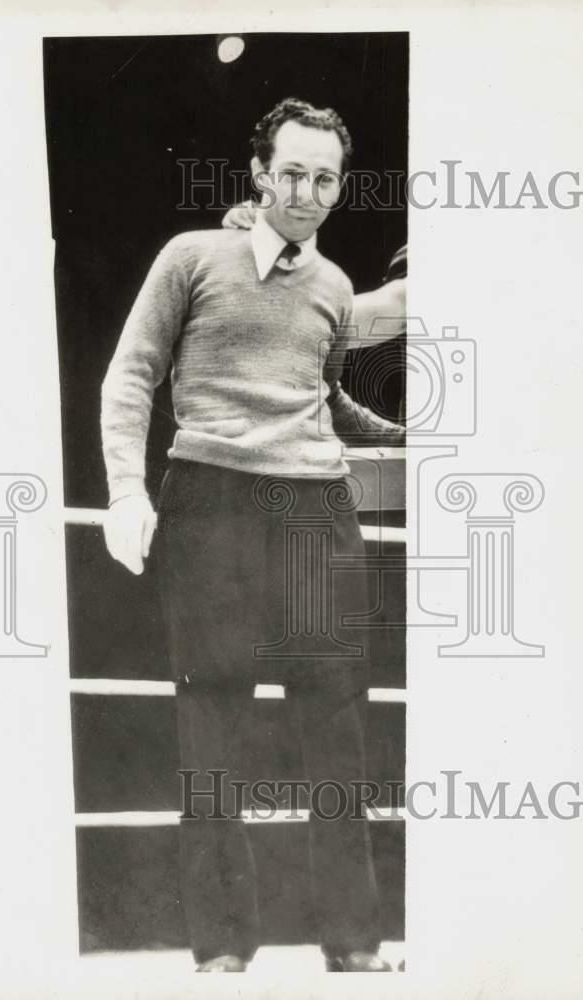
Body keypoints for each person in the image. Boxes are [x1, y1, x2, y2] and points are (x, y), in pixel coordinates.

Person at [101, 97, 402, 973]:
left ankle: (352, 946)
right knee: (213, 724)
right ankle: (223, 954)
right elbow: (132, 375)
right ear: (261, 173)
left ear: (340, 187)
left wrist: (404, 440)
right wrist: (125, 487)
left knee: (339, 728)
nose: (308, 191)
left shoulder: (337, 286)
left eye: (326, 178)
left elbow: (323, 394)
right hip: (212, 501)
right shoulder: (193, 256)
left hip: (315, 510)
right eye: (293, 172)